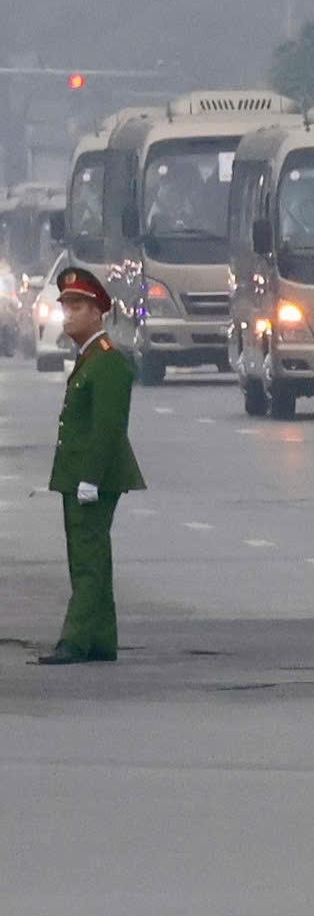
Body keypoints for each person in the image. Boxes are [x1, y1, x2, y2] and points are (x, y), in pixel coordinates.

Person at [39, 266, 144, 665]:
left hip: (92, 479)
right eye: (65, 306)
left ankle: (75, 641)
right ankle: (101, 639)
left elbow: (108, 430)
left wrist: (91, 479)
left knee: (87, 561)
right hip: (79, 477)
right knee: (91, 556)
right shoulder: (89, 360)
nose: (68, 314)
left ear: (97, 313)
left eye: (77, 306)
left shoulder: (108, 363)